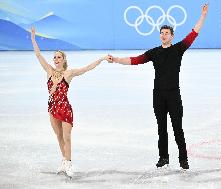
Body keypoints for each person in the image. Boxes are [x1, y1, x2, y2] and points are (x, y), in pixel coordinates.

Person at [107, 4, 208, 170]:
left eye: (166, 33)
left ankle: (183, 159)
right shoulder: (154, 52)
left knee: (178, 129)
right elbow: (135, 60)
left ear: (172, 36)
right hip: (158, 96)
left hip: (174, 95)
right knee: (162, 128)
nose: (163, 35)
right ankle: (163, 158)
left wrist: (203, 15)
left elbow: (194, 33)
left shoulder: (179, 49)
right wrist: (116, 59)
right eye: (161, 33)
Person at [31, 27, 108, 177]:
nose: (56, 59)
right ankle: (64, 161)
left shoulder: (69, 73)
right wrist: (33, 39)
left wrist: (101, 58)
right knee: (59, 136)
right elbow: (38, 55)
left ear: (64, 59)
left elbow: (87, 68)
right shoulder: (49, 71)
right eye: (55, 57)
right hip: (52, 108)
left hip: (65, 108)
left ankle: (69, 163)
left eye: (59, 57)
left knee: (67, 137)